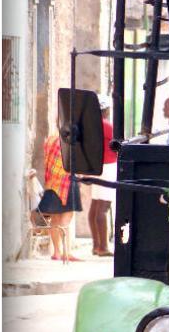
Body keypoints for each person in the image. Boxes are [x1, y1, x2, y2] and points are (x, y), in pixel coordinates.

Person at [38, 120, 84, 263]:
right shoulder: (71, 144)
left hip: (52, 183)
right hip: (67, 182)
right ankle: (66, 252)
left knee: (55, 219)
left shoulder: (50, 139)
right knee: (66, 219)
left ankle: (56, 252)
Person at [87, 95, 116, 257]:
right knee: (103, 208)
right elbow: (118, 144)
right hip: (109, 167)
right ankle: (103, 247)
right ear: (105, 110)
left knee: (95, 205)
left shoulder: (90, 125)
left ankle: (96, 245)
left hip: (97, 168)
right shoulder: (106, 125)